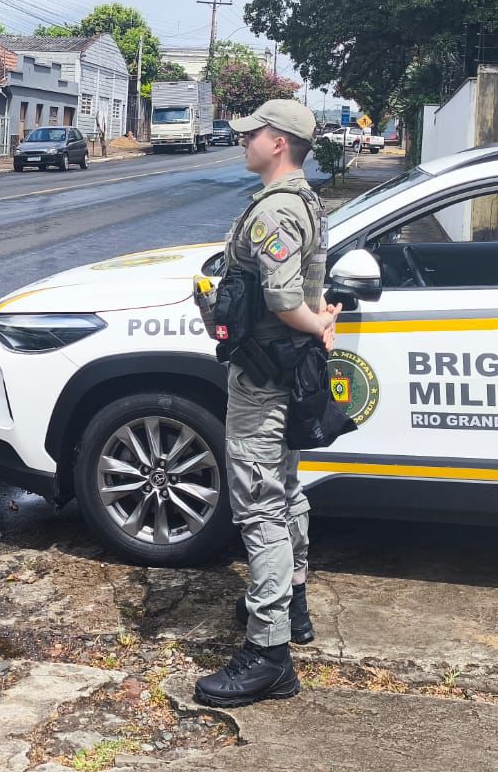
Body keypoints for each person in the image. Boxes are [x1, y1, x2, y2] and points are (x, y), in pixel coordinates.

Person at [194, 98, 341, 709]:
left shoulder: (276, 210)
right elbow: (306, 289)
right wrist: (319, 320)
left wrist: (312, 323)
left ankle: (269, 652)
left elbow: (284, 300)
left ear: (278, 141)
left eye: (250, 133)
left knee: (258, 504)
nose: (243, 140)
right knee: (284, 490)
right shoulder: (306, 200)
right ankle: (293, 603)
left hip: (263, 374)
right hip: (285, 369)